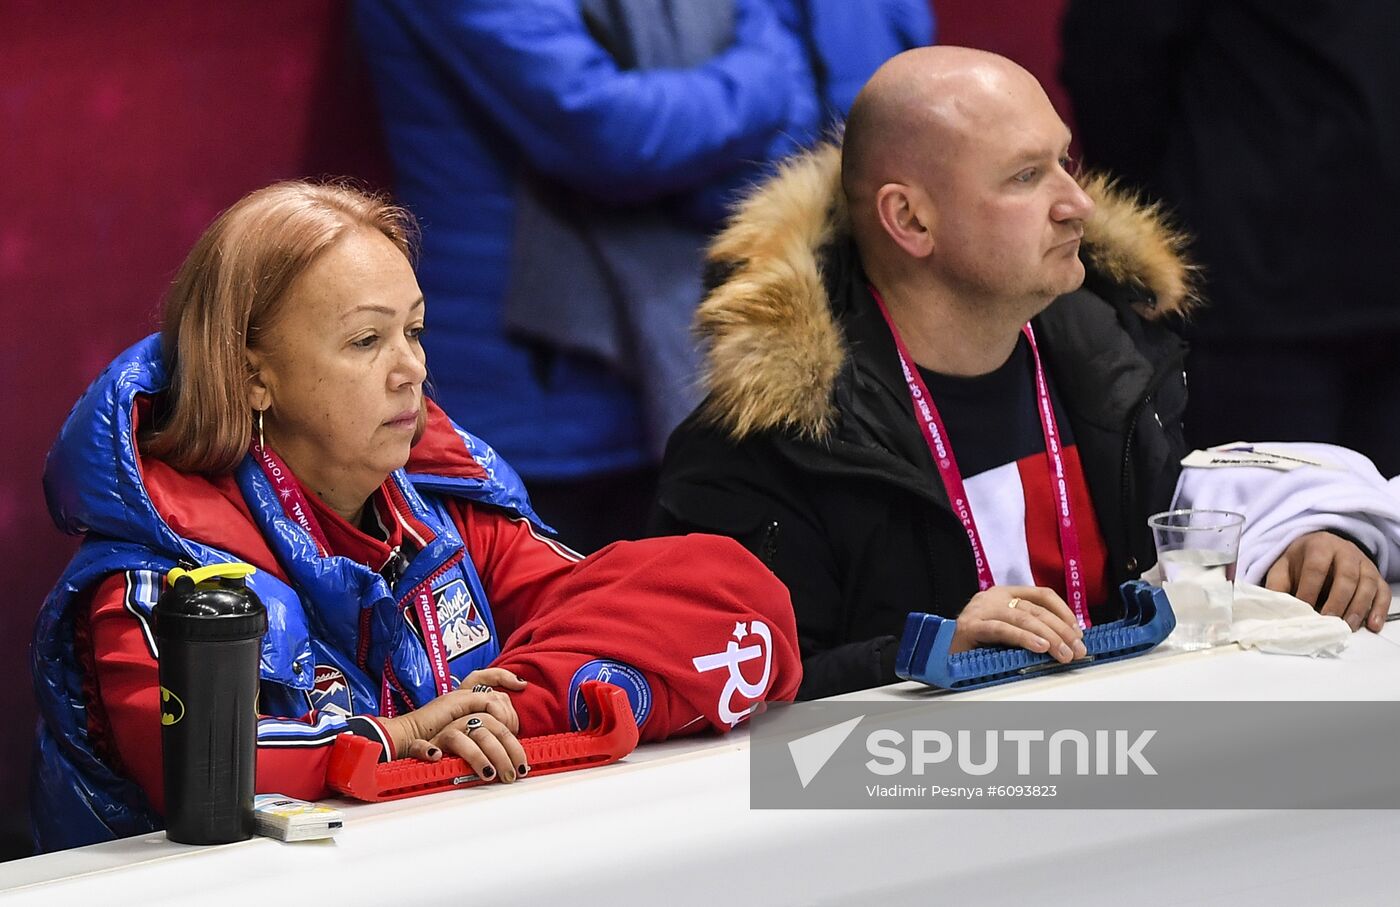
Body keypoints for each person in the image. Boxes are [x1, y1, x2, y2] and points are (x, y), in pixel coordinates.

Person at [31, 182, 800, 852]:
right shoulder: (160, 569)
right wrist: (398, 739)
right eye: (367, 340)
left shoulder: (443, 509)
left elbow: (727, 603)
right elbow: (197, 765)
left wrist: (503, 718)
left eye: (415, 330)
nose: (413, 370)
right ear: (251, 375)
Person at [649, 47, 1390, 701]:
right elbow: (721, 700)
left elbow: (1175, 562)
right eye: (1026, 176)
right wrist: (915, 659)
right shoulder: (761, 445)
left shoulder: (1117, 357)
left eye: (1064, 161)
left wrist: (1300, 542)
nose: (1078, 204)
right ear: (910, 221)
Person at [353, 0, 931, 552]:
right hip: (531, 384)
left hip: (675, 363)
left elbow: (818, 122)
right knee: (547, 631)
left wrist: (725, 135)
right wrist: (770, 73)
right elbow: (607, 129)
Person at [1060, 1, 1400, 476]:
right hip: (1251, 300)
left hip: (1356, 286)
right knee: (1264, 531)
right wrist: (1160, 221)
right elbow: (1112, 64)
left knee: (1383, 532)